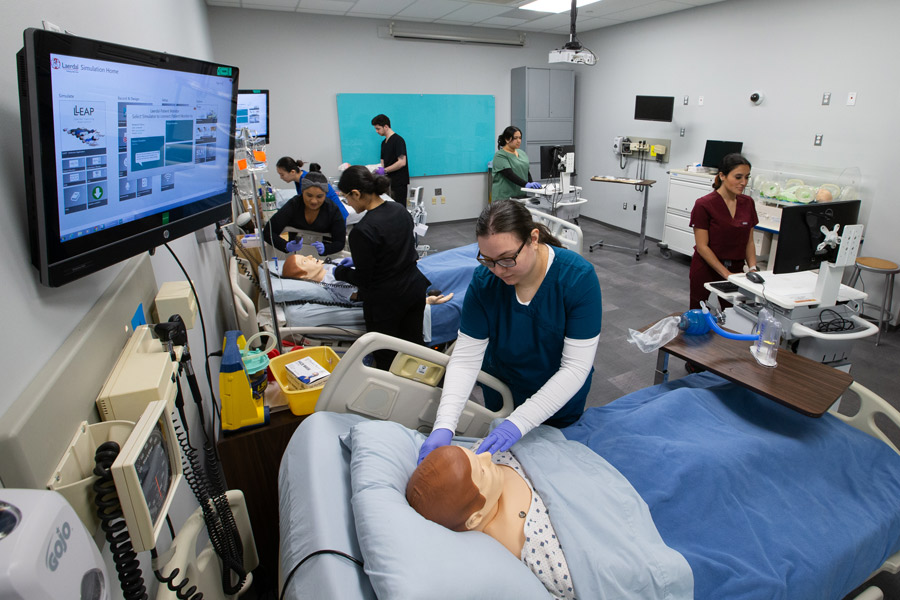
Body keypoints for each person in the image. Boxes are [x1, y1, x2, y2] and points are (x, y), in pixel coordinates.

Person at [418, 200, 602, 462]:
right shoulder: (485, 282)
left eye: (507, 259)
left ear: (533, 238)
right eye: (488, 260)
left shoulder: (577, 279)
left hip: (557, 400)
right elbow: (467, 357)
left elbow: (575, 368)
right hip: (503, 392)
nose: (497, 270)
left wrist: (520, 422)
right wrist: (444, 423)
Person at [407, 444, 575, 599]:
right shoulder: (539, 549)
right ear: (475, 519)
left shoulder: (484, 452)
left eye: (475, 455)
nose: (486, 455)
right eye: (482, 471)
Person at [333, 166, 430, 368]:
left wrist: (340, 272)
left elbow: (365, 280)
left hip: (387, 302)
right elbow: (398, 248)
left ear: (356, 194)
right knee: (414, 349)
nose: (347, 203)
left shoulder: (362, 231)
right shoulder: (399, 210)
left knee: (387, 357)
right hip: (413, 289)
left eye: (347, 198)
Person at [689, 153, 759, 310]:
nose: (743, 182)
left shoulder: (747, 203)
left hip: (736, 267)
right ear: (722, 176)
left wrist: (753, 268)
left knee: (734, 314)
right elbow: (702, 246)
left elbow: (749, 241)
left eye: (747, 177)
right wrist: (726, 274)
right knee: (698, 312)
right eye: (738, 177)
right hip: (706, 267)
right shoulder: (704, 204)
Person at [282, 253, 453, 306]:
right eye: (305, 261)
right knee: (458, 268)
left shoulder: (329, 267)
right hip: (410, 278)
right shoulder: (333, 286)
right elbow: (380, 295)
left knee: (450, 257)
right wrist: (423, 302)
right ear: (304, 276)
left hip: (407, 267)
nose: (311, 256)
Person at [261, 170, 346, 256]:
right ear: (302, 192)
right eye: (309, 195)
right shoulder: (294, 205)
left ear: (325, 194)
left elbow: (340, 242)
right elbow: (268, 233)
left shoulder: (332, 210)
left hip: (324, 259)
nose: (314, 201)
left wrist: (327, 249)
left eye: (319, 196)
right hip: (296, 256)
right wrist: (285, 246)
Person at [275, 157, 348, 219]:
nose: (281, 177)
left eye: (282, 174)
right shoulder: (299, 180)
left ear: (292, 172)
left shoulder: (307, 180)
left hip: (335, 215)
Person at [491, 126, 541, 202]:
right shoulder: (500, 155)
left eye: (520, 138)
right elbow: (509, 174)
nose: (519, 141)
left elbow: (526, 171)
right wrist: (526, 184)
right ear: (507, 139)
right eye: (515, 138)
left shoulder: (522, 153)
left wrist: (531, 184)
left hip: (520, 196)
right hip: (504, 198)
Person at [371, 114, 409, 202]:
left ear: (386, 126)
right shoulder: (384, 143)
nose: (376, 131)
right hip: (387, 183)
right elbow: (382, 162)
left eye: (378, 128)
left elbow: (402, 162)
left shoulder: (398, 140)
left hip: (398, 183)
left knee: (398, 209)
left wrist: (385, 170)